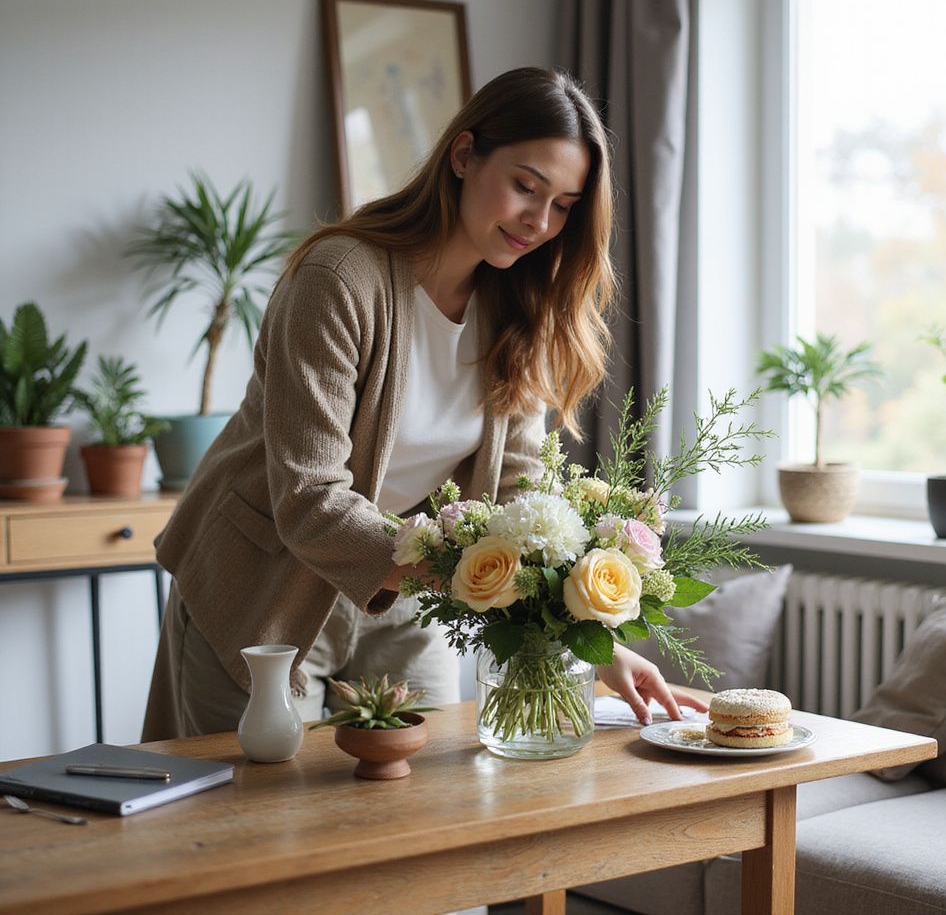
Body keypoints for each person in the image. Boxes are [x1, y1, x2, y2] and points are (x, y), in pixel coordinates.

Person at [141, 67, 707, 742]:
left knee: (422, 814)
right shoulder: (340, 280)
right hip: (263, 585)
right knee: (251, 823)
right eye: (525, 186)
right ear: (464, 155)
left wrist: (597, 640)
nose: (539, 219)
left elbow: (515, 497)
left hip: (408, 594)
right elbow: (308, 497)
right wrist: (466, 568)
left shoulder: (519, 312)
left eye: (563, 204)